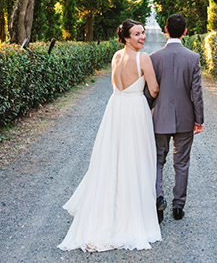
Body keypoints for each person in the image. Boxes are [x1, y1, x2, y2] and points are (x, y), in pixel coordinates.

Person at [59, 19, 162, 251]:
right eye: (137, 34)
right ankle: (133, 215)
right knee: (135, 158)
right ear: (126, 37)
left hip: (116, 109)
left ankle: (108, 210)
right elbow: (154, 89)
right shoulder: (143, 58)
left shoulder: (116, 56)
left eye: (143, 33)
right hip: (135, 109)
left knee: (113, 158)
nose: (142, 37)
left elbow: (115, 84)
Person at [148, 13, 204, 222]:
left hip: (160, 117)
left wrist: (146, 112)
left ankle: (158, 199)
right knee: (182, 163)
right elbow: (196, 93)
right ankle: (178, 206)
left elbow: (150, 91)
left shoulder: (154, 58)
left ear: (166, 30)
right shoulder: (193, 58)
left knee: (157, 160)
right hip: (185, 119)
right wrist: (199, 120)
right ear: (185, 32)